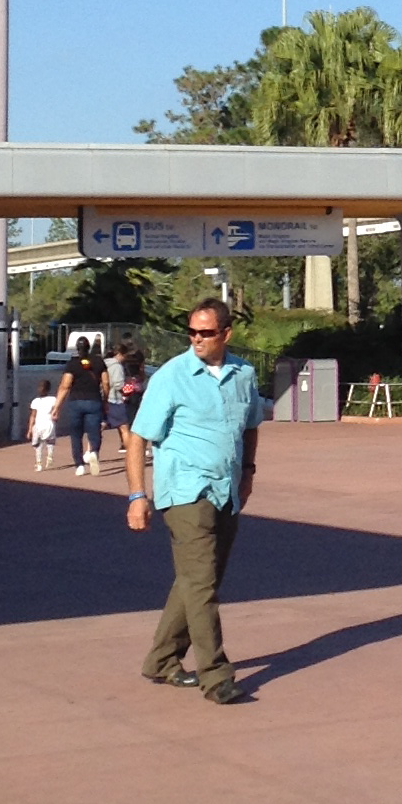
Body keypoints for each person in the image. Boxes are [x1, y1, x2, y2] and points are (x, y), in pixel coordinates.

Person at [126, 298, 265, 705]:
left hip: (227, 489)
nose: (197, 339)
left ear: (226, 334)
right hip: (186, 491)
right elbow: (139, 437)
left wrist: (248, 472)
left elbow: (251, 426)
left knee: (198, 580)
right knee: (202, 584)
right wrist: (137, 496)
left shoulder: (243, 374)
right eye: (192, 332)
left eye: (206, 333)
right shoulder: (172, 376)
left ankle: (162, 660)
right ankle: (216, 676)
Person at [52, 343, 105, 475]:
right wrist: (106, 398)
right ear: (89, 347)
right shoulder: (99, 361)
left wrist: (57, 406)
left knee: (76, 434)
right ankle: (93, 451)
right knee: (94, 431)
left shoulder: (72, 364)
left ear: (77, 348)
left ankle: (79, 465)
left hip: (75, 402)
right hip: (94, 400)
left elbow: (65, 386)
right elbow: (106, 382)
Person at [24, 378, 59, 472]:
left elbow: (33, 416)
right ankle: (49, 457)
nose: (40, 389)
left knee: (38, 445)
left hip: (40, 424)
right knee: (49, 442)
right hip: (48, 424)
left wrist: (30, 429)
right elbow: (55, 412)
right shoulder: (53, 399)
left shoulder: (36, 401)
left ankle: (39, 462)